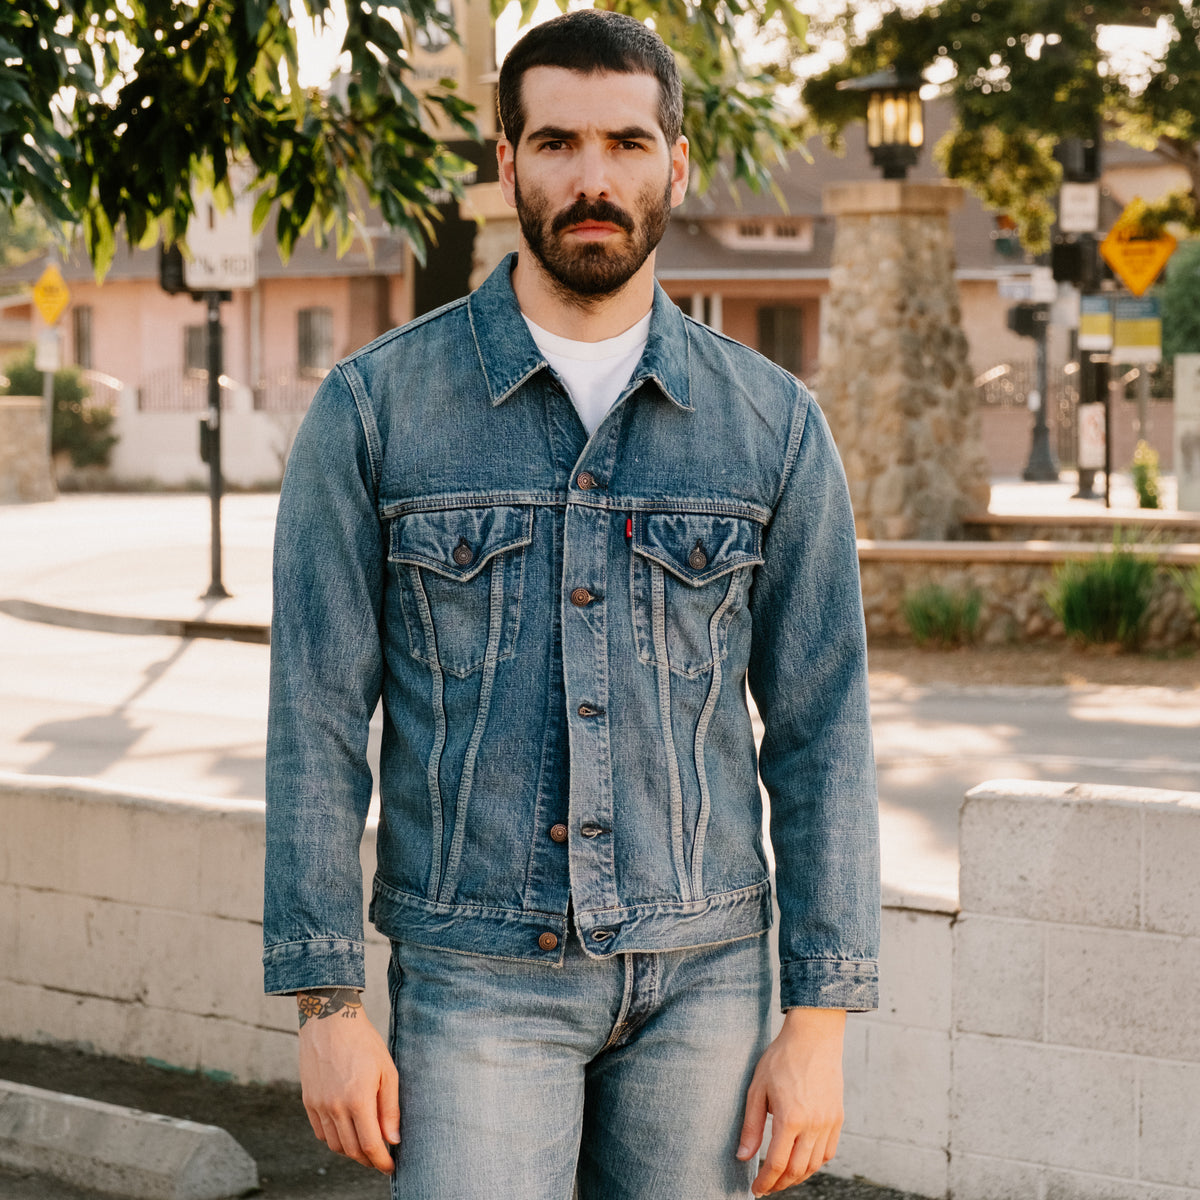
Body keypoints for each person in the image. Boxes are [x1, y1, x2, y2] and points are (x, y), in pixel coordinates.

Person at [263, 10, 879, 1199]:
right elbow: (317, 722)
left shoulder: (774, 427)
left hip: (704, 978)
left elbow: (822, 729)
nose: (593, 179)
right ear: (507, 161)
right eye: (555, 143)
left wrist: (820, 1023)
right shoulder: (374, 412)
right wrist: (327, 1001)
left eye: (626, 145)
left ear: (675, 162)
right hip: (474, 977)